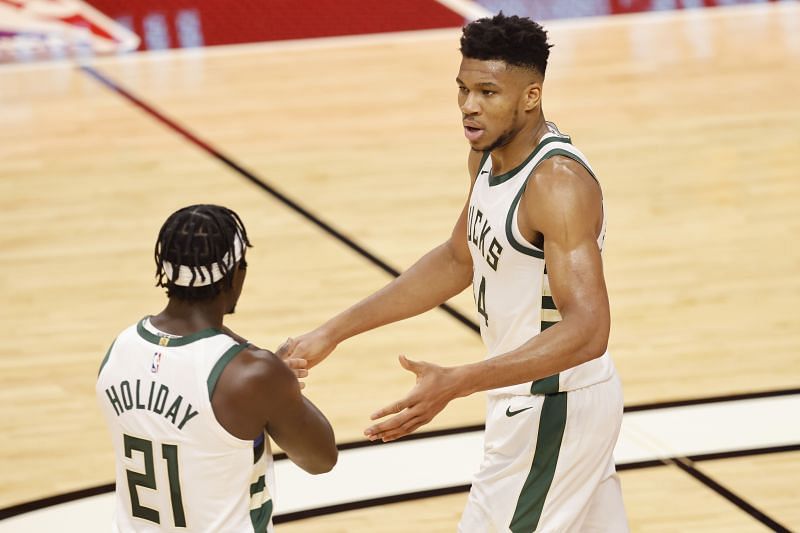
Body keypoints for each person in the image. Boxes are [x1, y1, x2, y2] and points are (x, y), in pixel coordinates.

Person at [287, 13, 628, 532]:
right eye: (464, 89)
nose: (469, 106)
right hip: (536, 402)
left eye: (488, 92)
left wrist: (459, 381)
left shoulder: (557, 185)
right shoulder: (488, 157)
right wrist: (330, 333)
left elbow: (588, 331)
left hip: (553, 408)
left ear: (531, 96)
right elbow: (456, 259)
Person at [96, 204, 337, 533]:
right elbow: (321, 459)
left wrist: (263, 375)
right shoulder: (252, 374)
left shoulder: (120, 348)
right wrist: (276, 382)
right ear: (237, 272)